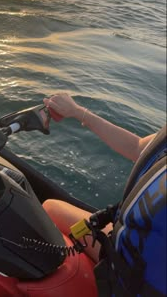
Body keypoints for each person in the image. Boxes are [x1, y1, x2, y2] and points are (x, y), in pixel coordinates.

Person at [43, 93, 166, 297]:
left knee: (50, 208)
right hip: (131, 249)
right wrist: (77, 112)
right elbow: (137, 147)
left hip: (127, 272)